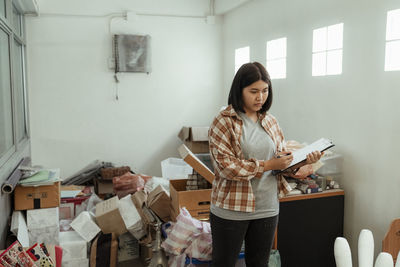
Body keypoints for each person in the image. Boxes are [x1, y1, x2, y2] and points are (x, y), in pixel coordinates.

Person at [208, 62, 322, 267]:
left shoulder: (270, 121)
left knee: (259, 264)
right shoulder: (224, 121)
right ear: (239, 90)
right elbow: (226, 167)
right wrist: (268, 164)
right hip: (232, 209)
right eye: (253, 91)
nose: (260, 97)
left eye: (265, 91)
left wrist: (299, 163)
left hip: (267, 208)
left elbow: (280, 163)